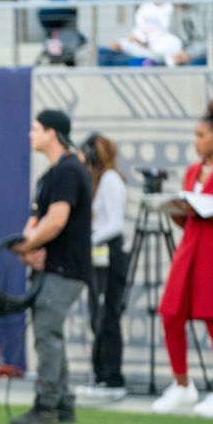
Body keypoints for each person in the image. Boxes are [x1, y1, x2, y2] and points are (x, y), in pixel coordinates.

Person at [152, 100, 213, 417]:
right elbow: (189, 216)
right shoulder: (192, 172)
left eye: (201, 135)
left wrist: (205, 208)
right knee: (171, 314)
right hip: (191, 247)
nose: (197, 142)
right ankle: (182, 386)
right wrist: (179, 211)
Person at [10, 110, 93, 424]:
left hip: (64, 268)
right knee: (50, 334)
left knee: (47, 335)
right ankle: (63, 403)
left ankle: (46, 406)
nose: (30, 134)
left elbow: (56, 221)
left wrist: (26, 246)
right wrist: (28, 250)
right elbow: (38, 223)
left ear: (52, 133)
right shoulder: (52, 174)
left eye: (36, 128)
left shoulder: (69, 171)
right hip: (54, 267)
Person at [76, 134, 128, 402]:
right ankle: (101, 374)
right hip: (98, 255)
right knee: (98, 315)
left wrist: (89, 238)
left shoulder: (110, 180)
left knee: (108, 316)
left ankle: (112, 376)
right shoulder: (98, 181)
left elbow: (115, 224)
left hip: (110, 254)